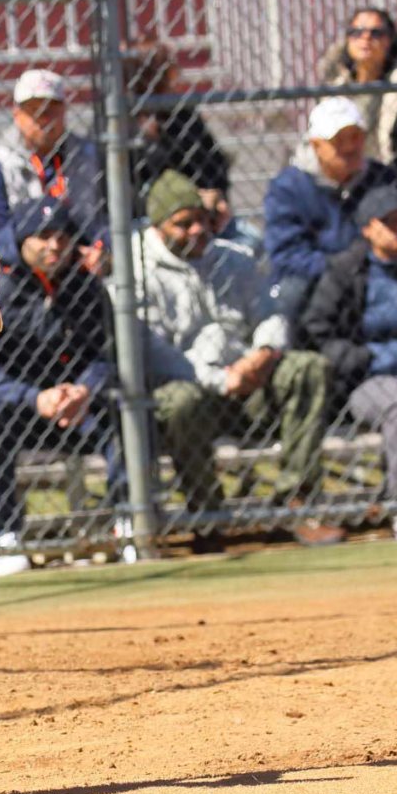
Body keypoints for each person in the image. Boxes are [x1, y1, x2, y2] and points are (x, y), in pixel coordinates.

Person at [135, 171, 344, 549]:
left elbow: (270, 314)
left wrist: (263, 354)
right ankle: (208, 518)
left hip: (249, 381)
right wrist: (220, 379)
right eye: (183, 224)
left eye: (203, 219)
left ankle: (295, 506)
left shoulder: (236, 259)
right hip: (193, 390)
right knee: (180, 399)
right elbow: (155, 352)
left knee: (307, 368)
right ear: (158, 228)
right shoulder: (140, 272)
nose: (198, 230)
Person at [0, 196, 116, 574]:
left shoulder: (83, 286)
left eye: (62, 237)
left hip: (70, 408)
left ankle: (130, 520)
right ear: (22, 240)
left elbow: (108, 354)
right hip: (11, 406)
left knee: (125, 409)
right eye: (43, 237)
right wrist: (33, 397)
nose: (54, 245)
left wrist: (84, 389)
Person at [300, 184, 397, 542]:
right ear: (368, 228)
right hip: (368, 378)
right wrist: (362, 358)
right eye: (390, 222)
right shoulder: (347, 271)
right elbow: (317, 329)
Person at [263, 96, 397, 321]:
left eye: (355, 136)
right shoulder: (289, 188)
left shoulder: (383, 178)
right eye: (338, 140)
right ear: (316, 145)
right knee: (290, 292)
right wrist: (343, 269)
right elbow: (287, 255)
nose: (349, 147)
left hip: (381, 271)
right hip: (320, 277)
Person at [0, 67, 107, 267]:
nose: (44, 118)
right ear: (17, 114)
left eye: (52, 109)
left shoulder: (87, 155)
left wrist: (102, 246)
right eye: (34, 110)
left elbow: (110, 217)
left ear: (64, 111)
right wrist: (24, 247)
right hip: (24, 271)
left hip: (83, 264)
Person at [124, 41, 230, 214]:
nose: (177, 75)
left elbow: (215, 169)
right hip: (147, 217)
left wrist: (215, 196)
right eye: (169, 70)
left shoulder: (183, 116)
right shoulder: (122, 123)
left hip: (197, 212)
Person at [318, 7, 397, 172]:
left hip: (390, 172)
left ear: (390, 40)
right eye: (356, 32)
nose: (365, 38)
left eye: (376, 33)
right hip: (343, 171)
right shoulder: (336, 85)